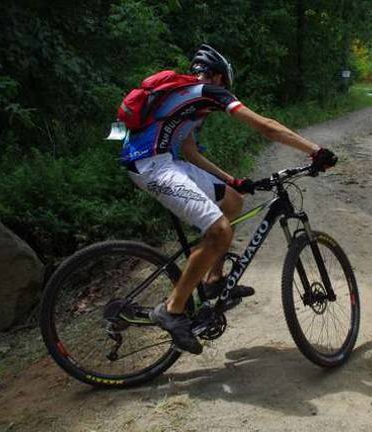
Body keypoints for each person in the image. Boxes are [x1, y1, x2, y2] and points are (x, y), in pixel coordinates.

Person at [119, 44, 337, 354]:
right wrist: (315, 151)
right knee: (220, 230)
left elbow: (190, 152)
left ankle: (213, 280)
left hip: (166, 161)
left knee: (233, 200)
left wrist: (231, 180)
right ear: (220, 78)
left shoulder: (188, 98)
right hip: (151, 165)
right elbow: (266, 127)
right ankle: (172, 309)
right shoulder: (209, 92)